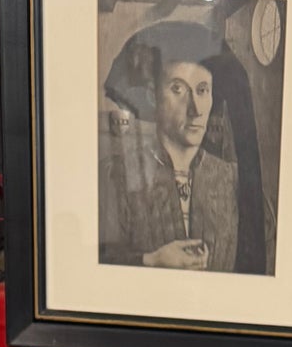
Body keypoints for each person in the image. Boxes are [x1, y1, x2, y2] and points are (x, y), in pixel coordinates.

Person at [98, 21, 238, 272]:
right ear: (153, 96)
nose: (195, 109)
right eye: (178, 89)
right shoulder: (116, 176)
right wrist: (150, 261)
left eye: (203, 90)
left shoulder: (232, 180)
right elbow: (94, 266)